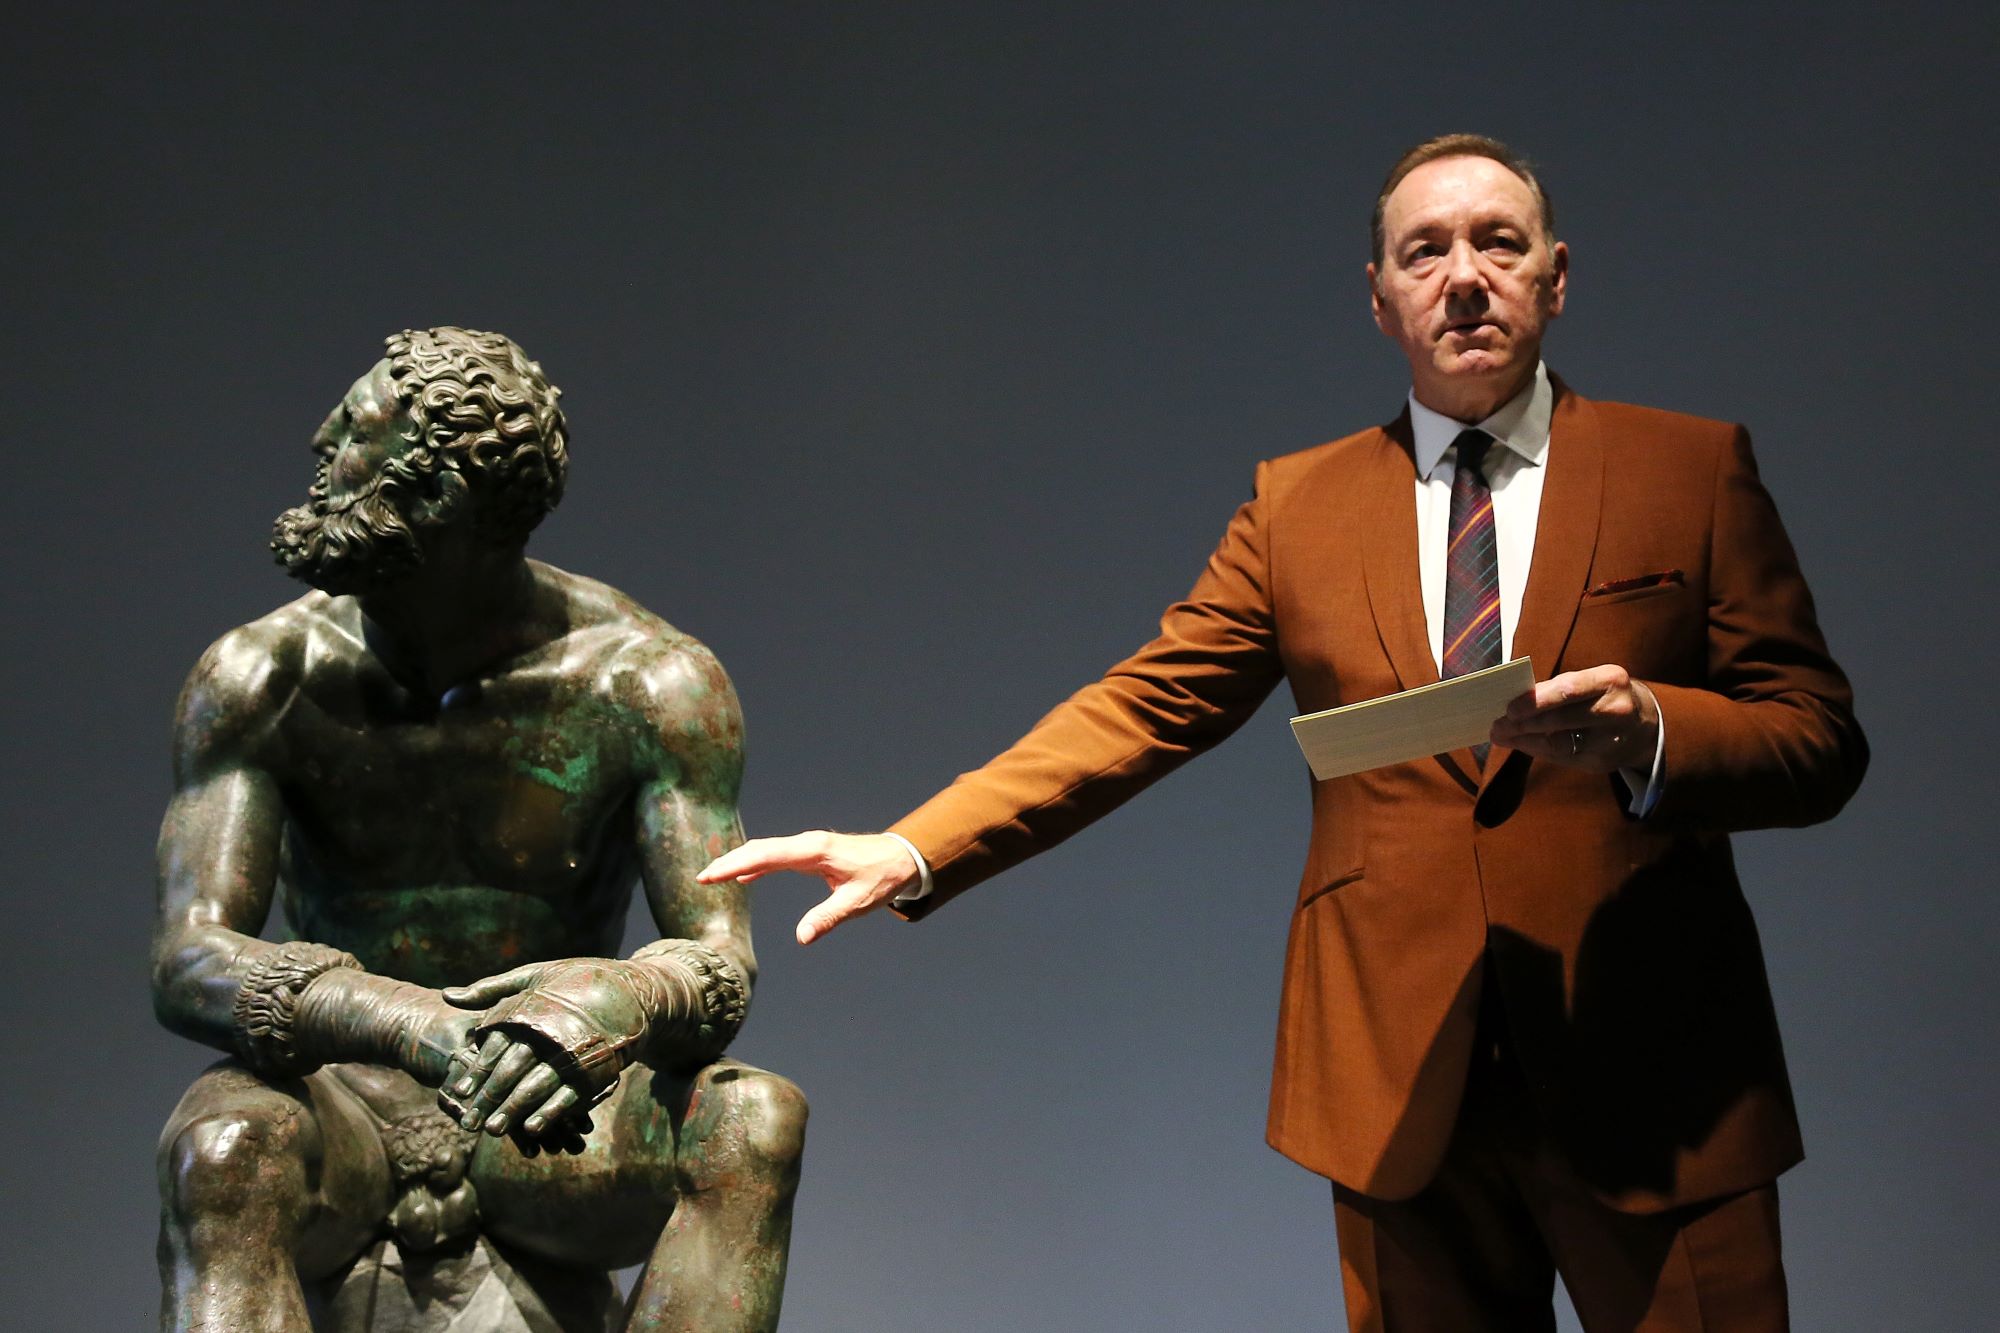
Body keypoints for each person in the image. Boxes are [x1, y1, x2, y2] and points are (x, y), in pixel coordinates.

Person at [697, 136, 1867, 1330]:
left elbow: (1816, 736)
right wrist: (915, 846)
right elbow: (1146, 704)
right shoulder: (1296, 506)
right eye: (1425, 251)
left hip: (1655, 1071)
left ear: (1555, 278)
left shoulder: (1687, 466)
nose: (1462, 275)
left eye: (1496, 244)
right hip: (1396, 1083)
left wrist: (1649, 732)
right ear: (1378, 297)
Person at [152, 328, 805, 1332]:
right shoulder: (261, 677)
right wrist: (422, 1029)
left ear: (436, 494)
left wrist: (620, 991)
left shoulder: (647, 683)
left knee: (751, 1121)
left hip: (547, 1107)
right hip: (342, 1110)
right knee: (227, 1148)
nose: (322, 442)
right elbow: (192, 960)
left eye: (357, 430)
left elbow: (721, 963)